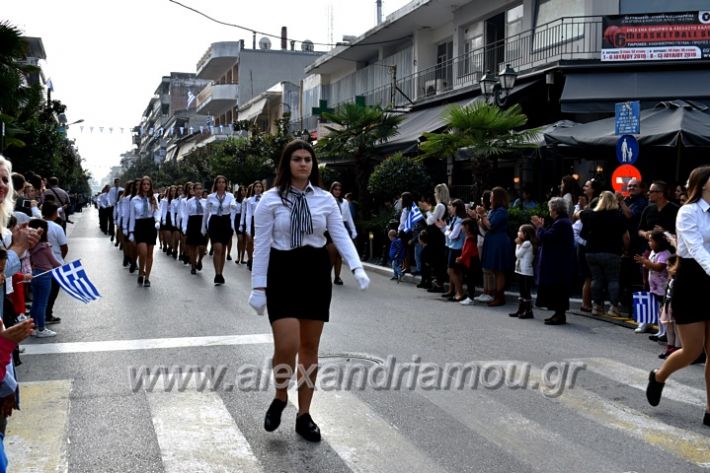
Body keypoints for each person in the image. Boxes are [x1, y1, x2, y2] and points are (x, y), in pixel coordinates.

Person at [248, 139, 369, 443]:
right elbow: (261, 245)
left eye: (308, 159)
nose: (304, 164)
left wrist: (356, 266)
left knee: (310, 349)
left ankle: (305, 415)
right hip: (282, 270)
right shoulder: (270, 200)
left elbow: (339, 235)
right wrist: (258, 287)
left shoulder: (326, 199)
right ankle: (280, 397)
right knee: (287, 344)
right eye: (297, 159)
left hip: (315, 271)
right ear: (286, 164)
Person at [646, 165, 710, 428]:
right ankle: (659, 377)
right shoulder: (688, 211)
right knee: (692, 351)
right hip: (692, 281)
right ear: (703, 184)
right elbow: (695, 248)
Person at [581, 191, 630, 317]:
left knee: (596, 279)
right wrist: (625, 249)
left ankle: (597, 306)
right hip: (612, 251)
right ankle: (613, 307)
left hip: (592, 251)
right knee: (613, 279)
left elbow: (580, 220)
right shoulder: (618, 216)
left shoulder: (591, 215)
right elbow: (626, 237)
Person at [531, 197, 576, 325]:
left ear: (555, 210)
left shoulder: (561, 223)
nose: (549, 212)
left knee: (558, 289)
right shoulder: (561, 222)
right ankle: (557, 313)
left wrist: (539, 227)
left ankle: (560, 314)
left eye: (550, 209)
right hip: (559, 262)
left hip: (558, 263)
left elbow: (547, 238)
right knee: (557, 289)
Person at [476, 187, 513, 307]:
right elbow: (485, 226)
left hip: (499, 242)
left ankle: (499, 296)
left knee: (499, 270)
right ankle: (497, 295)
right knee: (494, 270)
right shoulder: (493, 211)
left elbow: (491, 225)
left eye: (492, 196)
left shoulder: (501, 211)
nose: (490, 199)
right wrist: (479, 216)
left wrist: (483, 215)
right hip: (493, 241)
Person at [634, 230, 672, 334]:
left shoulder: (665, 254)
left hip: (662, 288)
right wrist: (645, 279)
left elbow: (659, 267)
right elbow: (647, 267)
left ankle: (664, 332)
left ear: (659, 242)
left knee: (662, 310)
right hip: (653, 287)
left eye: (651, 240)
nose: (649, 243)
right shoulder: (652, 253)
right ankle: (654, 328)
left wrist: (645, 261)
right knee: (652, 307)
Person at [28, 219, 61, 338]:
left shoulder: (30, 246)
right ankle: (41, 329)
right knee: (42, 303)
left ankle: (32, 327)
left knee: (35, 302)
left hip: (35, 273)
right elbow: (54, 262)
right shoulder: (45, 246)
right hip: (45, 275)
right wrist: (65, 266)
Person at [203, 176, 236, 285]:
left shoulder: (230, 196)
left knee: (223, 250)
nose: (221, 184)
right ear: (216, 184)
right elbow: (206, 213)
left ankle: (220, 272)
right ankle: (216, 273)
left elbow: (233, 204)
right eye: (219, 182)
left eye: (223, 182)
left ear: (226, 184)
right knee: (217, 248)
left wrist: (232, 205)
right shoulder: (210, 197)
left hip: (225, 222)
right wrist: (203, 227)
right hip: (215, 222)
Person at [128, 176, 160, 287]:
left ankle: (147, 278)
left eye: (148, 184)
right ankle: (141, 271)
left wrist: (157, 221)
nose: (146, 186)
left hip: (150, 225)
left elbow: (157, 211)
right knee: (143, 252)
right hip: (140, 226)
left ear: (150, 186)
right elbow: (132, 216)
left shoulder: (153, 198)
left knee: (149, 253)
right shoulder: (134, 200)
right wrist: (131, 232)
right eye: (144, 184)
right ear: (141, 186)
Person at [42, 202, 68, 325]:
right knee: (53, 291)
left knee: (40, 292)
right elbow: (64, 246)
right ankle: (47, 313)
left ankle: (41, 314)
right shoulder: (57, 228)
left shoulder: (36, 225)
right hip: (55, 263)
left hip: (39, 263)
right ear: (54, 214)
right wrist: (60, 258)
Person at [327, 182, 357, 285]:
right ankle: (327, 276)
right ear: (332, 190)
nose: (337, 192)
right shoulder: (327, 200)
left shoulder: (345, 202)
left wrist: (353, 230)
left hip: (342, 228)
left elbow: (349, 217)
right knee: (331, 252)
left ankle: (337, 277)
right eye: (335, 189)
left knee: (339, 255)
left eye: (339, 190)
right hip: (330, 227)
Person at [436, 199, 467, 301]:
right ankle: (453, 291)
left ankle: (460, 292)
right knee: (455, 271)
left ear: (456, 208)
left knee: (451, 270)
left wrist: (446, 230)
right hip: (453, 247)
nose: (450, 208)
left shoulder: (459, 220)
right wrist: (445, 228)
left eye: (452, 206)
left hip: (457, 248)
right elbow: (449, 231)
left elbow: (453, 235)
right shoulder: (455, 219)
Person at [509, 224, 537, 319]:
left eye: (520, 231)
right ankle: (521, 310)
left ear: (525, 233)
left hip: (526, 272)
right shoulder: (525, 243)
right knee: (522, 291)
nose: (518, 233)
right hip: (521, 270)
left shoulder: (527, 243)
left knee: (526, 292)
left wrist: (517, 244)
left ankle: (528, 311)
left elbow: (518, 254)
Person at [182, 182, 207, 275]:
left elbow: (208, 214)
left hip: (202, 223)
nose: (199, 191)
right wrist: (184, 227)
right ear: (193, 190)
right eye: (197, 189)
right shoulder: (189, 202)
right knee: (192, 247)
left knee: (202, 247)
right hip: (192, 223)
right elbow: (186, 215)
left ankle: (199, 260)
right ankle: (193, 265)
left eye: (201, 189)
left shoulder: (205, 201)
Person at [456, 218, 481, 306]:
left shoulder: (470, 238)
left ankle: (471, 298)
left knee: (470, 280)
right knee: (469, 280)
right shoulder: (470, 236)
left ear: (467, 227)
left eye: (462, 226)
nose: (461, 228)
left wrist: (461, 258)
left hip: (471, 261)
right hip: (470, 261)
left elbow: (468, 251)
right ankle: (470, 297)